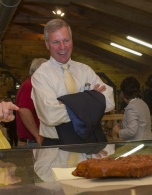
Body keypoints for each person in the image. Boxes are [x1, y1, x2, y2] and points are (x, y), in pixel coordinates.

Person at [31, 19, 115, 149]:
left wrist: (64, 103)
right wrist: (92, 98)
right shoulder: (41, 76)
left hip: (90, 140)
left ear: (72, 40)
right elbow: (50, 115)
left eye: (66, 40)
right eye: (56, 42)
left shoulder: (85, 70)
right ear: (47, 44)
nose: (62, 47)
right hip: (56, 145)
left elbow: (109, 100)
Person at [15, 58, 47, 147]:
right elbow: (24, 110)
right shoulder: (31, 85)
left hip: (33, 141)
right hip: (32, 142)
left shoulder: (32, 84)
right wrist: (37, 135)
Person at [112, 76, 152, 140]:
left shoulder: (131, 107)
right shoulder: (143, 103)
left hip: (137, 145)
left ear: (124, 92)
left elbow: (131, 131)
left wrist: (118, 131)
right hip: (147, 143)